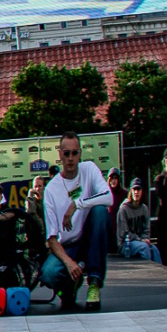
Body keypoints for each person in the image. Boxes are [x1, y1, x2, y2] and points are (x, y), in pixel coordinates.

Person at [40, 133, 113, 312]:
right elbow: (52, 239)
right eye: (66, 154)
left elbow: (108, 197)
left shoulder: (89, 169)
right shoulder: (51, 190)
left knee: (100, 211)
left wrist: (77, 204)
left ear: (80, 153)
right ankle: (69, 288)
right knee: (48, 273)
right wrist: (68, 262)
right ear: (60, 154)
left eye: (74, 153)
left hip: (89, 239)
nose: (70, 158)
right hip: (68, 246)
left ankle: (94, 283)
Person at [117, 176, 160, 261]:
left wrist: (145, 238)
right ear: (131, 191)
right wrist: (140, 240)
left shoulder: (144, 209)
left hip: (140, 241)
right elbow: (124, 233)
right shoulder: (124, 209)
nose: (136, 192)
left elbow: (147, 229)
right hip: (126, 244)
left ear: (142, 191)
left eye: (138, 190)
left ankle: (159, 269)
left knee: (154, 249)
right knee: (144, 248)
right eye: (134, 190)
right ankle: (146, 268)